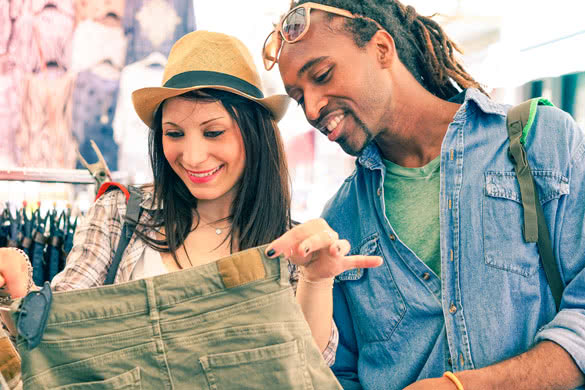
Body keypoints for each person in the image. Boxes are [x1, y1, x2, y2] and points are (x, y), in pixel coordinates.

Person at [0, 30, 383, 370]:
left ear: (254, 135)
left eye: (213, 132)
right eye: (174, 133)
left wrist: (316, 280)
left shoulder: (289, 246)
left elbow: (309, 363)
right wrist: (18, 285)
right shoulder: (121, 214)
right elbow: (60, 330)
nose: (193, 156)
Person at [262, 1, 585, 389]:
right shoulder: (340, 220)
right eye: (299, 98)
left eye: (323, 74)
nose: (312, 109)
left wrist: (465, 386)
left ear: (382, 48)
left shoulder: (540, 142)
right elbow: (341, 374)